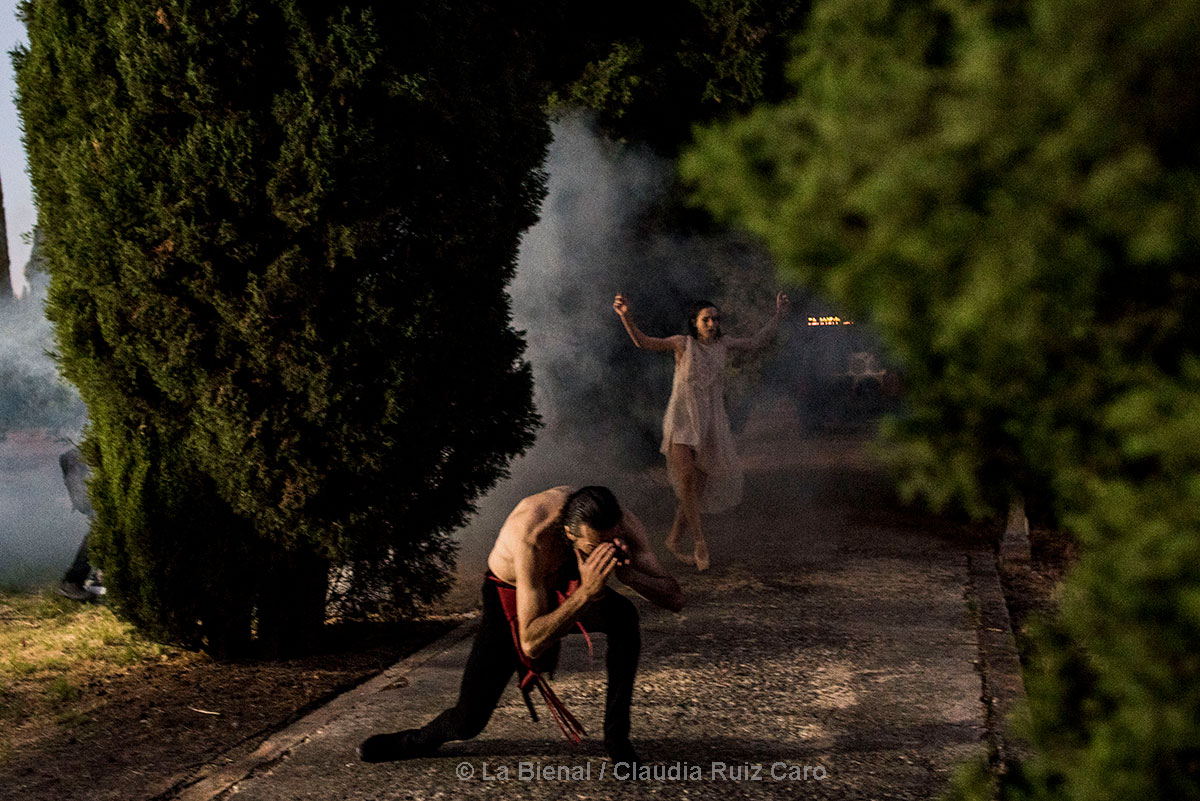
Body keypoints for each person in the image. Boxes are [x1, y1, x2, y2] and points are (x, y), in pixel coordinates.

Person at [358, 485, 683, 765]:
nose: (604, 557)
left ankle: (617, 740)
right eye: (592, 550)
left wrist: (630, 576)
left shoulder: (622, 524)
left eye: (609, 547)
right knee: (469, 720)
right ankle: (414, 741)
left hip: (569, 581)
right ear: (570, 535)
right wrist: (585, 593)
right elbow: (530, 641)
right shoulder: (531, 534)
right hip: (510, 597)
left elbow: (675, 599)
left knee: (624, 616)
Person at [613, 292, 790, 571]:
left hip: (710, 421)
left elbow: (757, 342)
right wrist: (626, 316)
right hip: (683, 418)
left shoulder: (723, 345)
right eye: (706, 319)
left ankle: (673, 540)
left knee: (694, 488)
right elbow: (643, 342)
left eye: (715, 319)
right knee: (685, 479)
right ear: (694, 323)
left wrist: (778, 315)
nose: (712, 324)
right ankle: (699, 541)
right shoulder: (682, 344)